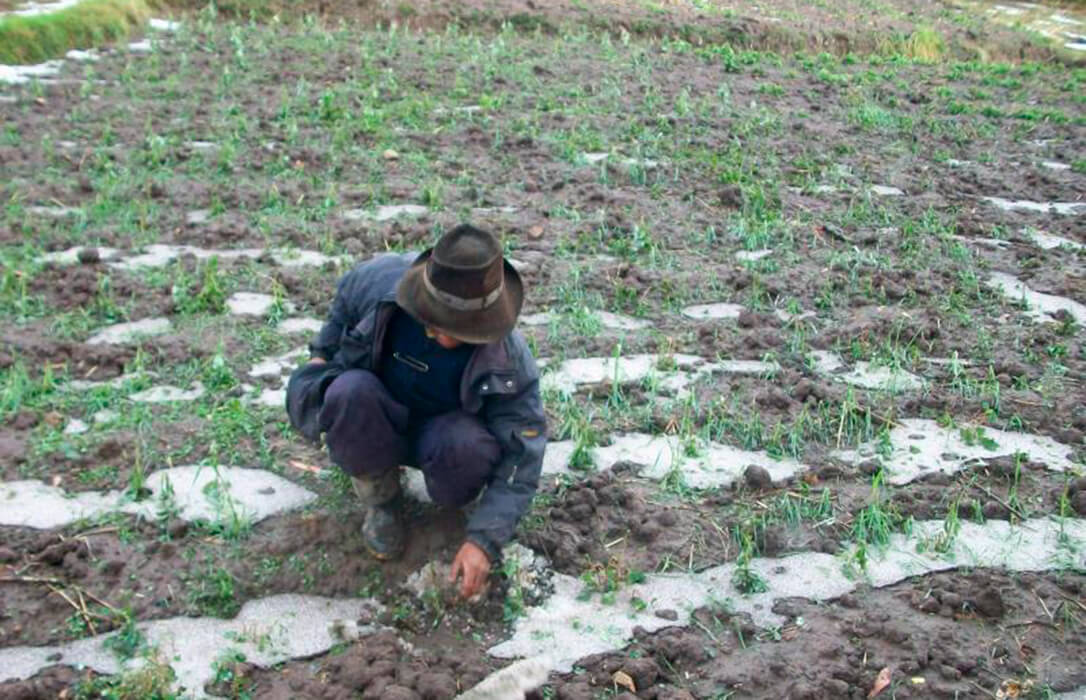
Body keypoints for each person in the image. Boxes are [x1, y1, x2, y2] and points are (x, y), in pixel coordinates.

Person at [286, 224, 546, 599]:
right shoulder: (379, 285)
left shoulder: (509, 361)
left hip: (445, 436)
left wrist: (484, 540)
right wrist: (319, 359)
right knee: (349, 392)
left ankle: (449, 507)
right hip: (375, 413)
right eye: (431, 319)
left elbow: (524, 455)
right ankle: (381, 499)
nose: (435, 334)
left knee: (466, 445)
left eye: (452, 329)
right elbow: (337, 318)